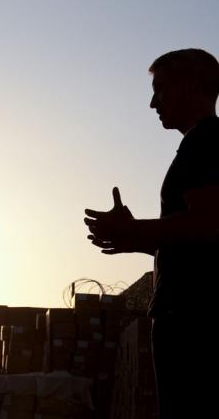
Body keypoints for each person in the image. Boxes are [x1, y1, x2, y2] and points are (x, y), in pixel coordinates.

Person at [84, 49, 219, 418]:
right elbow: (196, 242)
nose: (151, 102)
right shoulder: (203, 143)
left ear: (190, 85)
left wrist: (136, 229)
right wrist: (139, 240)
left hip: (192, 319)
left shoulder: (205, 141)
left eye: (159, 89)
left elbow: (209, 225)